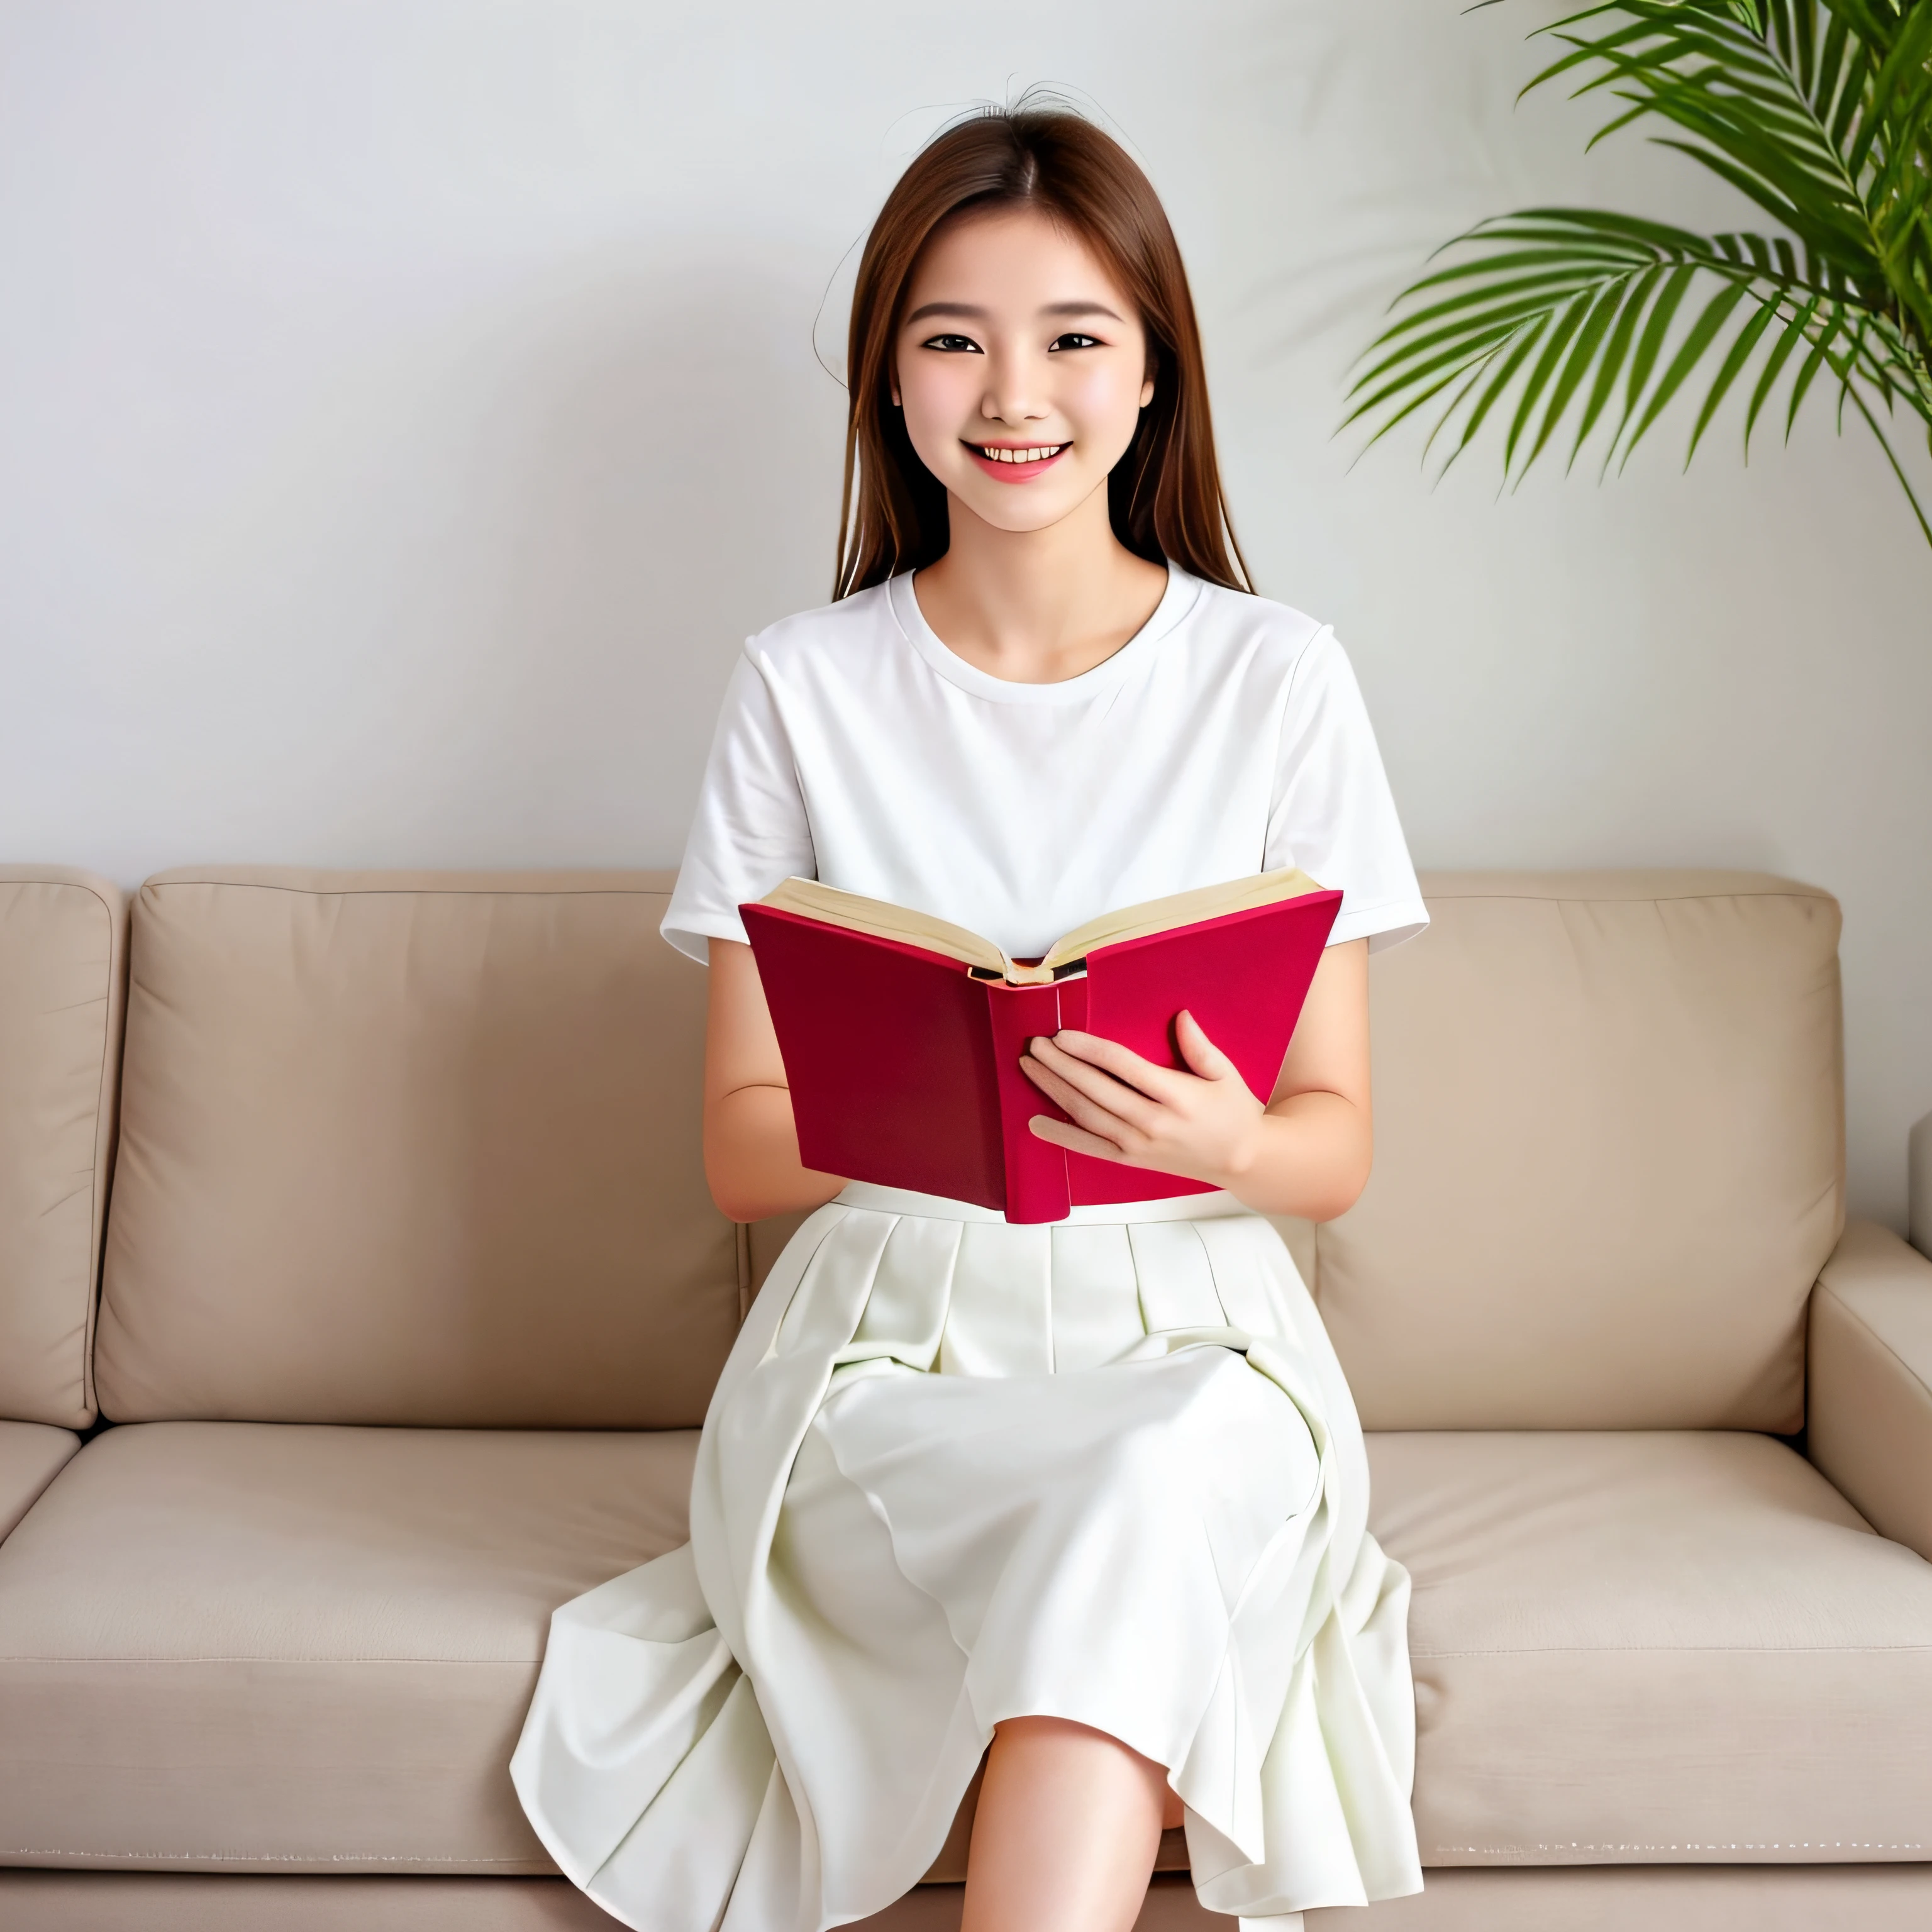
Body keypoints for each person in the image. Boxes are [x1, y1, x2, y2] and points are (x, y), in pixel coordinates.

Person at [511, 103, 1428, 1932]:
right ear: (893, 384)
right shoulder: (801, 686)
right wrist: (956, 1090)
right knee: (1121, 1544)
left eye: (1075, 338)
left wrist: (1219, 1143)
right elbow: (738, 1145)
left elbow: (1334, 1144)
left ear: (1154, 373)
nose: (1016, 393)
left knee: (1155, 1488)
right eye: (955, 340)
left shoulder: (1280, 678)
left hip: (1203, 1360)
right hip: (886, 1364)